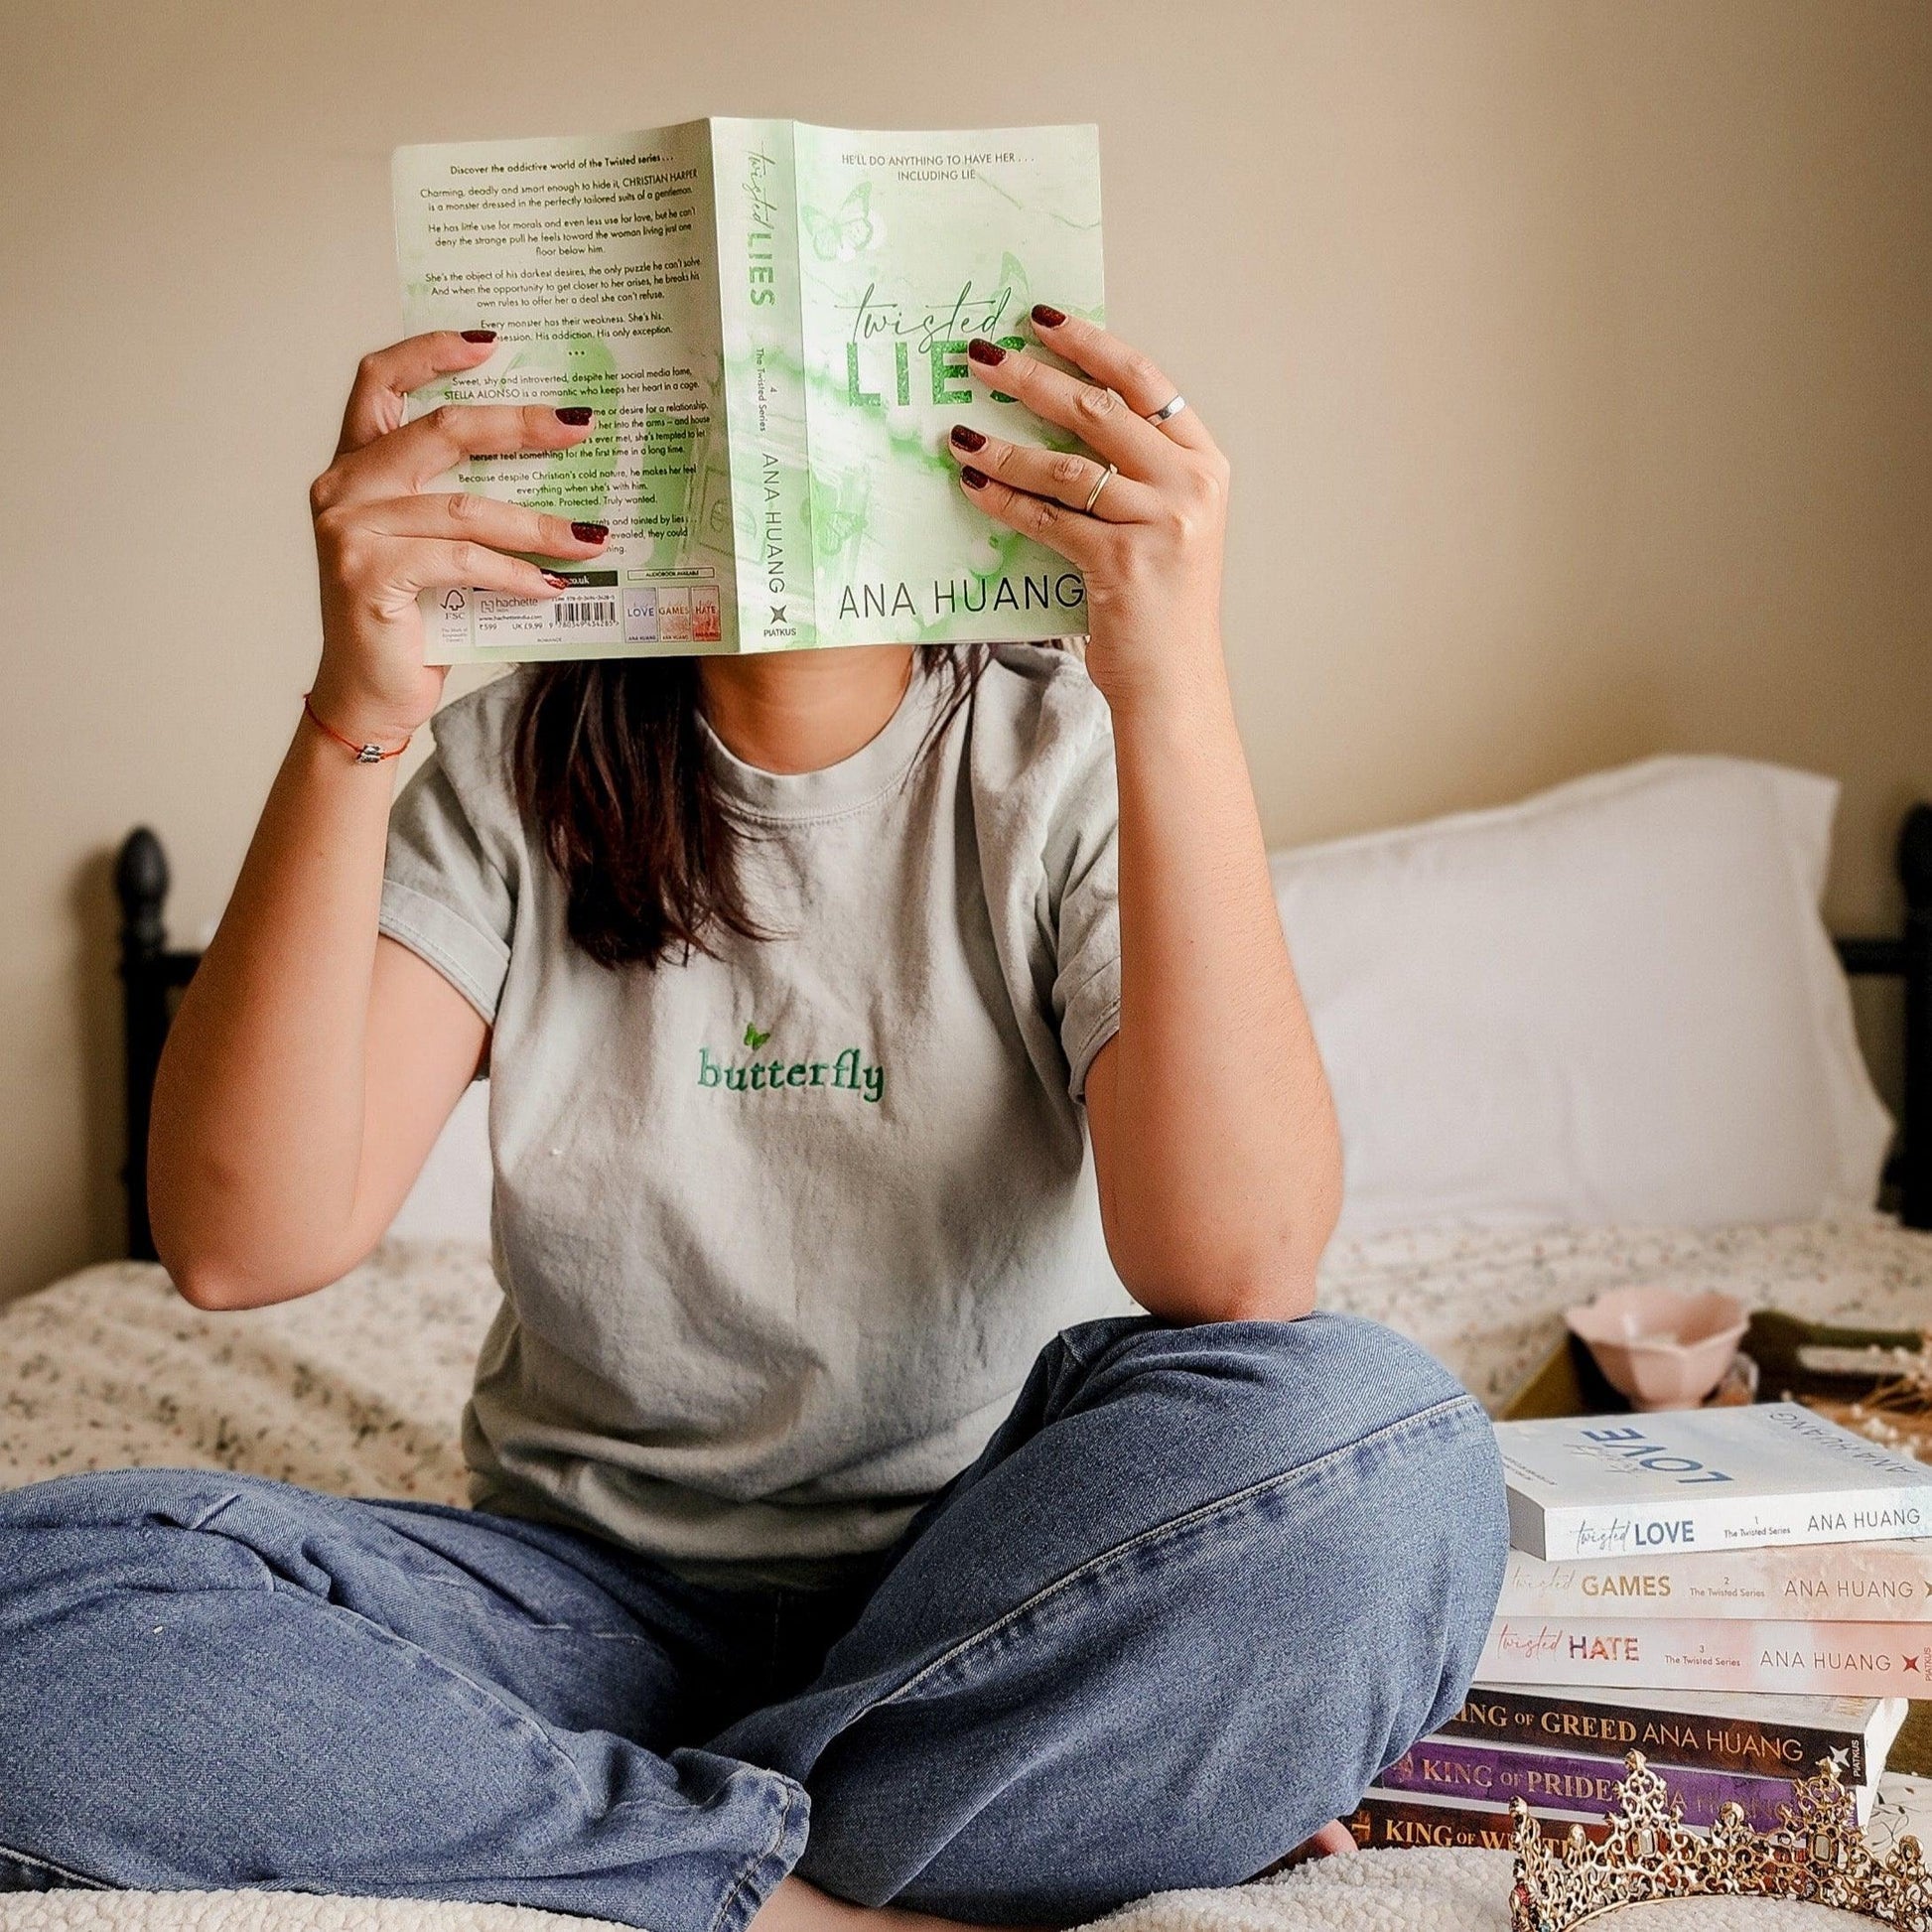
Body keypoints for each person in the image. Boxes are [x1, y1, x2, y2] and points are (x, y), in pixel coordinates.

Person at [0, 311, 1508, 1931]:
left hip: (1009, 1573)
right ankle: (838, 1880)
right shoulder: (504, 765)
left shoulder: (1061, 755)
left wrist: (1171, 681)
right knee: (38, 1597)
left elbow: (1235, 1263)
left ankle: (609, 1829)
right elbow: (240, 1245)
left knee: (1386, 1445)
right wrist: (347, 714)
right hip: (583, 1607)